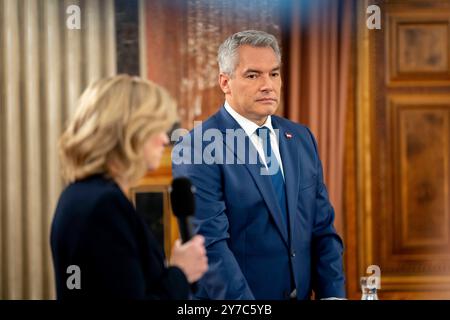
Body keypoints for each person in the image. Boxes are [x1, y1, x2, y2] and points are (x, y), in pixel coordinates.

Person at [172, 30, 345, 300]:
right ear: (225, 82)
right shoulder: (198, 147)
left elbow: (322, 228)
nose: (268, 85)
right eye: (253, 75)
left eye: (274, 74)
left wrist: (332, 295)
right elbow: (211, 247)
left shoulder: (300, 138)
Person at [51, 75, 208, 299]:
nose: (165, 140)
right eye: (158, 129)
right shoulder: (104, 206)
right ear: (131, 132)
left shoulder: (76, 195)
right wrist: (180, 273)